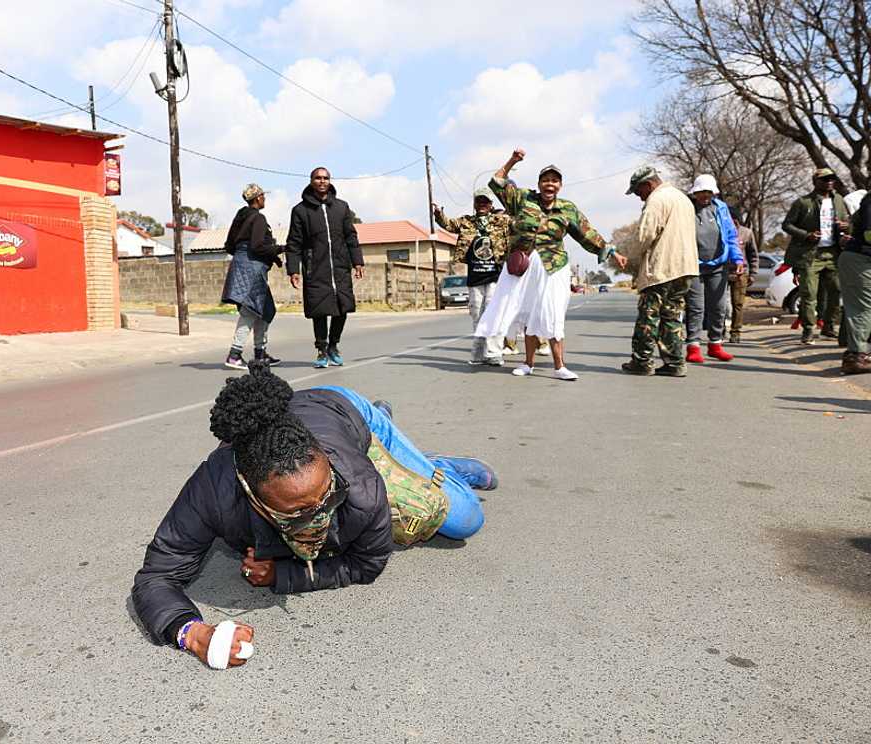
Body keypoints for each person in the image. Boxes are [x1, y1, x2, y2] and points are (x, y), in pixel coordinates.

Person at [130, 363, 491, 666]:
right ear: (254, 497)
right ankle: (417, 464)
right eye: (300, 512)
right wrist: (192, 634)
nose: (322, 514)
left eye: (328, 496)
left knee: (465, 521)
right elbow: (156, 577)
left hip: (350, 414)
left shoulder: (360, 484)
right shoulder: (214, 489)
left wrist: (285, 573)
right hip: (312, 423)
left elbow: (367, 565)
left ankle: (424, 457)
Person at [473, 149, 621, 381]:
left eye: (554, 181)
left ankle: (559, 366)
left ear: (560, 185)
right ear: (539, 183)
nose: (549, 184)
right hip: (524, 266)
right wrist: (513, 161)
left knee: (551, 315)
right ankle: (528, 363)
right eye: (545, 180)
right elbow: (497, 181)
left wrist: (612, 253)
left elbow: (587, 234)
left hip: (554, 266)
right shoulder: (522, 199)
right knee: (527, 314)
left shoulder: (567, 208)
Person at [619, 167, 699, 377]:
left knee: (649, 315)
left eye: (638, 192)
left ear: (648, 184)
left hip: (662, 267)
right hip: (685, 267)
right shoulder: (683, 199)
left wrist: (627, 256)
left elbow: (645, 235)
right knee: (672, 316)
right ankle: (675, 363)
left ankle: (642, 361)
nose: (639, 197)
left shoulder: (657, 200)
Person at [286, 167, 364, 368]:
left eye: (325, 178)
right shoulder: (300, 211)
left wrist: (357, 261)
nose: (322, 181)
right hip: (315, 267)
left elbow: (351, 236)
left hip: (339, 267)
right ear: (311, 181)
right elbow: (294, 242)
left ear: (330, 181)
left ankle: (333, 345)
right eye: (318, 178)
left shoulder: (341, 207)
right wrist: (293, 269)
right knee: (319, 310)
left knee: (342, 308)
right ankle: (321, 350)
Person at [433, 189, 513, 365]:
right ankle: (479, 354)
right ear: (475, 204)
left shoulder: (502, 221)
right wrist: (438, 214)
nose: (482, 205)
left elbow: (519, 224)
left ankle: (494, 354)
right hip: (475, 276)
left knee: (494, 314)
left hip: (495, 275)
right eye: (479, 202)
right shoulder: (466, 221)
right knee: (477, 315)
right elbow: (448, 225)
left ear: (491, 205)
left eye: (486, 202)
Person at [782, 167, 851, 344]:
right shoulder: (803, 202)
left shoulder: (839, 200)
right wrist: (806, 235)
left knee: (836, 291)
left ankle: (828, 327)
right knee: (808, 295)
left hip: (834, 253)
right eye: (825, 179)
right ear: (816, 181)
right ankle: (808, 330)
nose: (829, 181)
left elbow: (849, 223)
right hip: (810, 255)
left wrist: (845, 226)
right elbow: (787, 225)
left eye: (832, 178)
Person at [220, 184, 283, 370]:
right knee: (250, 310)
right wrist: (279, 249)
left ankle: (260, 353)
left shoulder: (241, 218)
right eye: (263, 196)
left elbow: (229, 246)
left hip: (241, 265)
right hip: (251, 269)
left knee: (264, 309)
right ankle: (234, 354)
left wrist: (273, 258)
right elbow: (257, 246)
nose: (265, 199)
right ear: (258, 198)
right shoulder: (258, 218)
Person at [684, 175, 745, 364]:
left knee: (718, 307)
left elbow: (730, 234)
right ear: (695, 193)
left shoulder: (721, 208)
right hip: (694, 266)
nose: (705, 196)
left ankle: (715, 345)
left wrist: (737, 258)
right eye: (702, 192)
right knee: (696, 308)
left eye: (709, 192)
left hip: (719, 264)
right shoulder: (687, 209)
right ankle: (693, 346)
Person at [838, 190, 871, 374]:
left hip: (862, 260)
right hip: (860, 261)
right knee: (863, 309)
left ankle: (857, 353)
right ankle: (856, 357)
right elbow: (869, 234)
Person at [728, 206, 759, 345]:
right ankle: (718, 330)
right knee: (719, 305)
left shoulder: (746, 233)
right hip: (722, 273)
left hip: (741, 274)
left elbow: (753, 255)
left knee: (738, 304)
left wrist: (753, 274)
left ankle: (735, 332)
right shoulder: (721, 231)